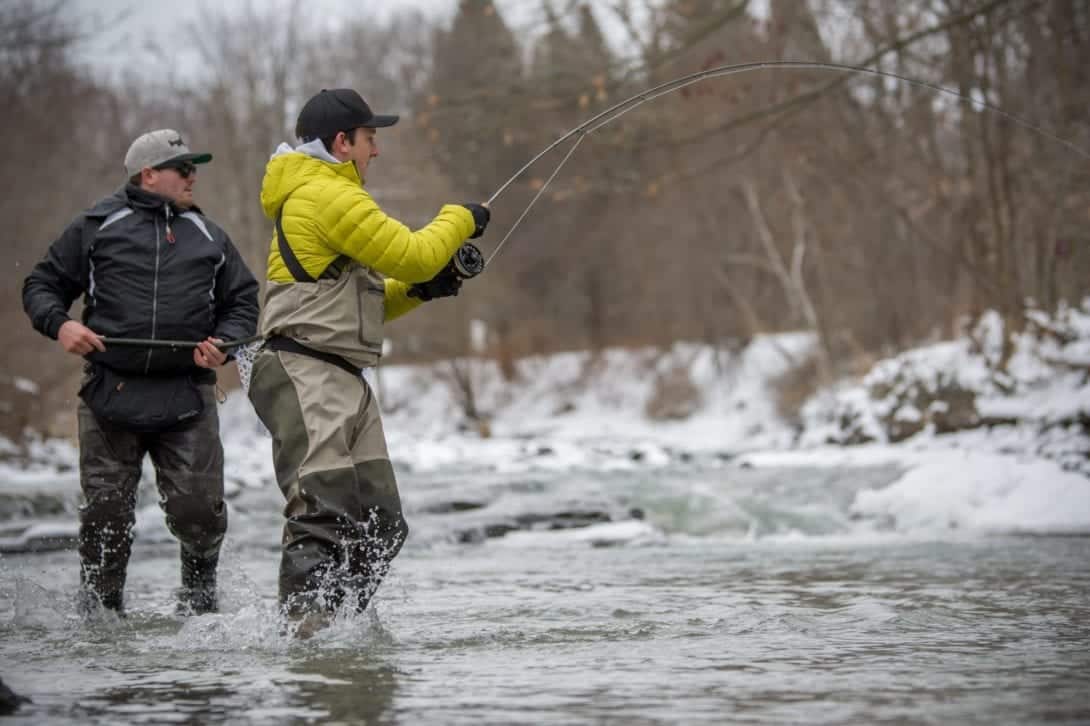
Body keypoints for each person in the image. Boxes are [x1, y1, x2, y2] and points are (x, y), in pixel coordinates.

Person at [246, 88, 490, 627]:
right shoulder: (324, 194)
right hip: (304, 370)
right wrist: (460, 218)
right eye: (370, 138)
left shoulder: (328, 197)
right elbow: (416, 253)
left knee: (382, 524)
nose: (375, 150)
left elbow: (371, 299)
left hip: (342, 376)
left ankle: (343, 629)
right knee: (322, 513)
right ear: (342, 142)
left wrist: (423, 291)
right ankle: (307, 641)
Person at [22, 129, 260, 616]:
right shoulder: (96, 225)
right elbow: (41, 284)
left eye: (194, 168)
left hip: (187, 399)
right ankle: (102, 615)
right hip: (110, 396)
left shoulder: (210, 235)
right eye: (184, 168)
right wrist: (61, 324)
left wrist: (226, 346)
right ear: (148, 174)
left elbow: (243, 303)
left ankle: (199, 605)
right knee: (106, 517)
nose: (194, 177)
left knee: (199, 515)